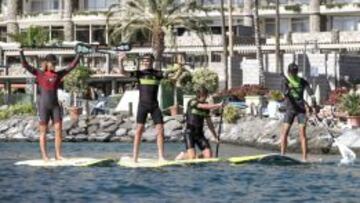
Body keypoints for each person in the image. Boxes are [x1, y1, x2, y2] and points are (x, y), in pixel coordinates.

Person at [20, 49, 81, 161]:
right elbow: (25, 64)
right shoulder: (39, 73)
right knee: (43, 131)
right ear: (47, 63)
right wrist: (21, 53)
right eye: (52, 63)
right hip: (43, 106)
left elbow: (72, 66)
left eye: (55, 63)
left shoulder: (58, 74)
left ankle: (58, 155)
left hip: (55, 106)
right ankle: (45, 156)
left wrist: (79, 54)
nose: (54, 65)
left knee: (58, 129)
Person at [118, 53, 171, 163]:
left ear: (152, 62)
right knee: (139, 131)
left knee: (160, 130)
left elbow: (172, 77)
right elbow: (122, 72)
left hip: (155, 106)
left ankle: (161, 157)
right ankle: (135, 158)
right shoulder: (139, 74)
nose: (146, 62)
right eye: (144, 61)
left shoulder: (158, 74)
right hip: (143, 106)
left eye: (148, 61)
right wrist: (120, 61)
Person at [280, 63, 317, 161]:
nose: (293, 73)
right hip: (290, 109)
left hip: (301, 110)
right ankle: (282, 155)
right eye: (292, 72)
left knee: (302, 134)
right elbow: (285, 94)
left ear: (297, 71)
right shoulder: (285, 81)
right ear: (289, 72)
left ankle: (304, 158)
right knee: (285, 132)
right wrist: (289, 88)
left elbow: (311, 93)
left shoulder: (302, 81)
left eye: (295, 71)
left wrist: (314, 104)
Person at [175, 86, 222, 160]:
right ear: (201, 95)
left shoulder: (206, 107)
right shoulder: (192, 102)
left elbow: (210, 124)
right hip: (189, 133)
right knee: (192, 157)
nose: (206, 97)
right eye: (206, 95)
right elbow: (202, 106)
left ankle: (196, 156)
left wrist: (215, 137)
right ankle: (184, 155)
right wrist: (218, 105)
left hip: (200, 134)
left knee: (209, 156)